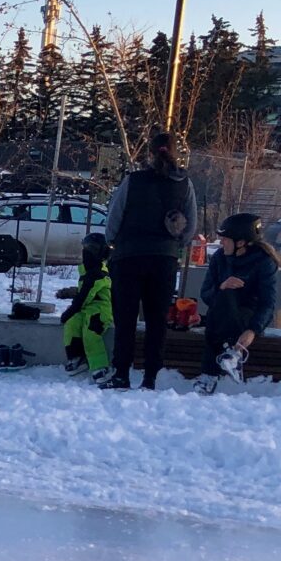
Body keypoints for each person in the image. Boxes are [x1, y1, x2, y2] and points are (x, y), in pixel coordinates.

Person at [102, 130, 197, 390]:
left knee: (126, 318)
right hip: (164, 258)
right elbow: (190, 225)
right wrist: (175, 244)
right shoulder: (183, 183)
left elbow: (114, 218)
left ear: (150, 153)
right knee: (156, 321)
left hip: (128, 256)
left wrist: (113, 242)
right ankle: (150, 377)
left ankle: (121, 373)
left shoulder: (133, 180)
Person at [196, 212, 281, 394]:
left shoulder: (264, 262)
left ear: (241, 243)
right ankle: (231, 355)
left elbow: (267, 303)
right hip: (220, 314)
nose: (221, 243)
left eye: (225, 239)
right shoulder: (219, 258)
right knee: (223, 298)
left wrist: (252, 331)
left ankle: (209, 373)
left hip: (247, 318)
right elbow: (205, 294)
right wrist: (222, 286)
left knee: (217, 315)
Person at [59, 232, 115, 379]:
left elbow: (83, 297)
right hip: (86, 308)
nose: (84, 253)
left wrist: (69, 312)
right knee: (72, 324)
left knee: (91, 331)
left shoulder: (97, 274)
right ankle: (77, 357)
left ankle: (99, 366)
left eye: (88, 249)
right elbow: (83, 292)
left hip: (101, 310)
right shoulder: (87, 271)